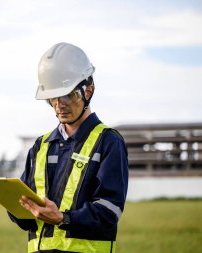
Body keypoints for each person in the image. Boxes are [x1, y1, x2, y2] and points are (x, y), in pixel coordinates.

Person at [8, 42, 129, 253]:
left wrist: (63, 218)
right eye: (53, 97)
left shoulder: (109, 142)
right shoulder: (40, 146)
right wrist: (17, 207)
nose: (59, 104)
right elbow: (26, 218)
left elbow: (110, 211)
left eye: (68, 95)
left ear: (88, 90)